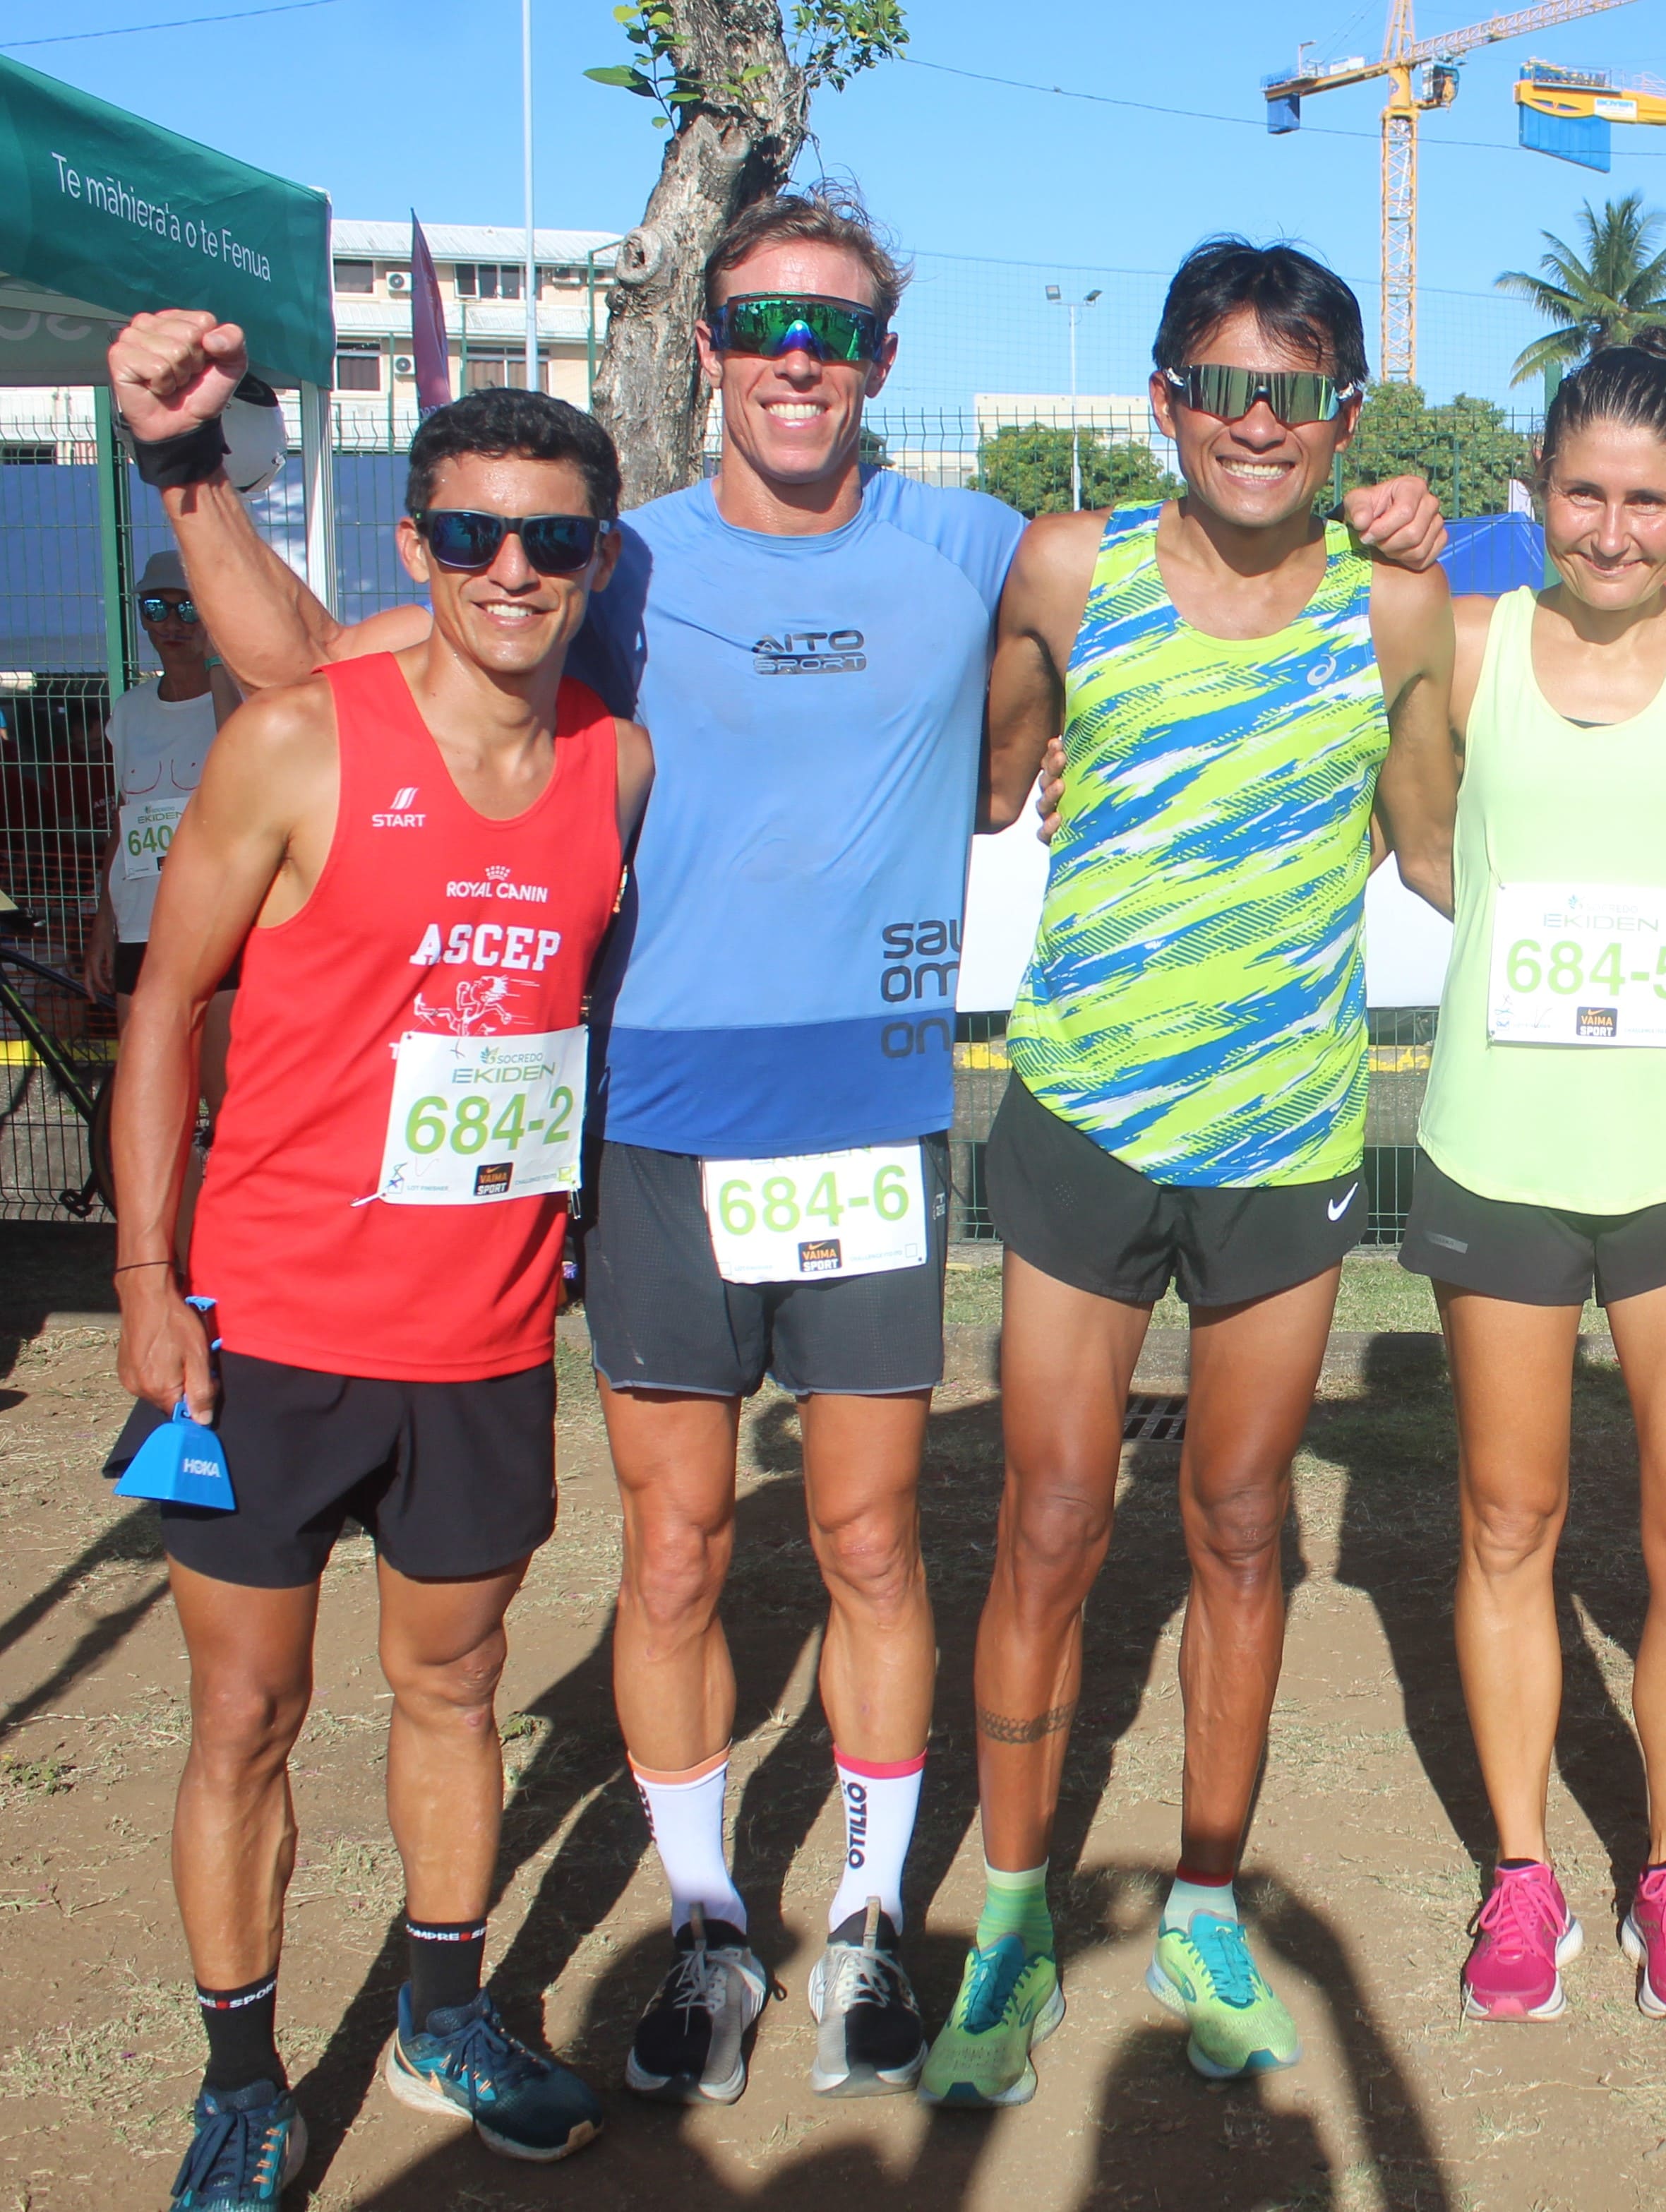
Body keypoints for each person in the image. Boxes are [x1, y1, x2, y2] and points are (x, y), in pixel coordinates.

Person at [107, 192, 1448, 2108]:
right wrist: (183, 471)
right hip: (653, 1119)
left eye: (832, 327)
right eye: (759, 323)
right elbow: (308, 659)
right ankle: (714, 1927)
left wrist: (1377, 514)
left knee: (871, 1541)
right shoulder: (595, 555)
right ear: (714, 345)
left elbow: (1184, 590)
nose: (796, 356)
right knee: (670, 1551)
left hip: (870, 1118)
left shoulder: (993, 546)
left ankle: (879, 1931)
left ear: (881, 359)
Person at [928, 238, 1457, 2103]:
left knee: (1240, 1527)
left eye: (1296, 393)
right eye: (1223, 386)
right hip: (1079, 1116)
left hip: (1282, 1143)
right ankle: (1007, 1915)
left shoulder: (1395, 610)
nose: (1256, 422)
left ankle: (1207, 1903)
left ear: (1339, 418)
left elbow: (1439, 850)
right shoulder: (1070, 568)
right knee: (1052, 1521)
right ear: (1160, 400)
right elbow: (991, 780)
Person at [108, 388, 648, 2207]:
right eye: (476, 535)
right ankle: (245, 2074)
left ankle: (439, 2008)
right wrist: (143, 1278)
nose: (515, 570)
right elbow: (167, 1004)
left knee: (458, 1685)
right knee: (246, 1716)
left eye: (554, 538)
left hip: (479, 1339)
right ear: (415, 548)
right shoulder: (297, 740)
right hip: (264, 1332)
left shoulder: (614, 765)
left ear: (594, 559)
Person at [1397, 333, 1666, 2022]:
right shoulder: (1462, 644)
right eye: (1580, 495)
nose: (1610, 532)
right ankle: (1520, 1872)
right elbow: (1409, 833)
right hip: (1502, 1150)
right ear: (1535, 493)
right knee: (1509, 1518)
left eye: (1646, 501)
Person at [85, 552, 241, 1258]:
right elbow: (125, 821)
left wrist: (218, 663)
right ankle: (174, 1274)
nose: (171, 624)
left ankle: (240, 1271)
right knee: (156, 1115)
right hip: (141, 933)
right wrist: (102, 920)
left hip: (219, 928)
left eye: (188, 607)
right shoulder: (128, 713)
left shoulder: (232, 701)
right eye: (157, 609)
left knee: (232, 1108)